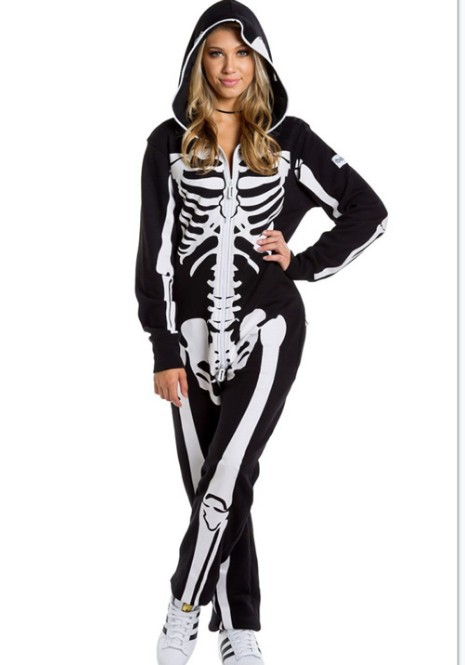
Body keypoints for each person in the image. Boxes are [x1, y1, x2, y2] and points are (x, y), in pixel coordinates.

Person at [135, 1, 388, 663]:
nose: (229, 68)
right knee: (212, 484)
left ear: (261, 60)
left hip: (268, 327)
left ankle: (182, 611)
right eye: (216, 53)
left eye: (242, 53)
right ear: (197, 62)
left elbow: (368, 211)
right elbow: (154, 252)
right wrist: (163, 346)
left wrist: (300, 263)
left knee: (228, 475)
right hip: (189, 337)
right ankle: (240, 629)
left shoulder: (289, 138)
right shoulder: (166, 143)